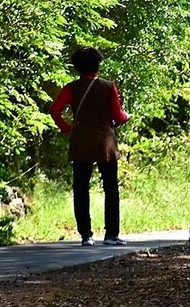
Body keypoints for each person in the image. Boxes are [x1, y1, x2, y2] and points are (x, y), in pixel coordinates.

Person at [51, 47, 129, 246]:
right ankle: (111, 234)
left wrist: (67, 128)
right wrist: (126, 117)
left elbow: (55, 110)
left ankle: (86, 235)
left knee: (81, 188)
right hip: (106, 143)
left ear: (77, 67)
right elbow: (117, 115)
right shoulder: (108, 86)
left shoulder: (71, 88)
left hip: (80, 142)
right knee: (110, 188)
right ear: (97, 65)